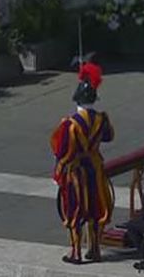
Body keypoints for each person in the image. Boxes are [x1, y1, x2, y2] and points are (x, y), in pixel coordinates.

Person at [51, 62, 113, 265]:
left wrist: (58, 171)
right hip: (95, 168)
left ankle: (76, 252)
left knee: (74, 209)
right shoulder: (102, 119)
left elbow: (63, 151)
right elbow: (109, 137)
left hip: (76, 171)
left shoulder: (70, 124)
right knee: (95, 208)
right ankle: (94, 249)